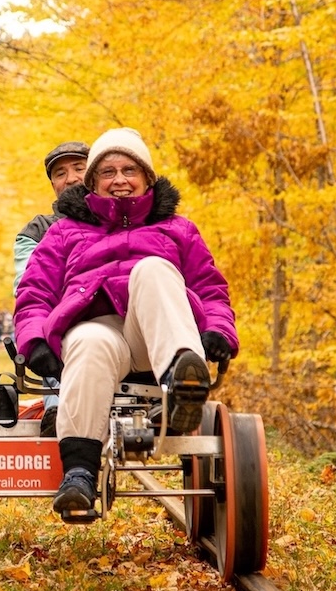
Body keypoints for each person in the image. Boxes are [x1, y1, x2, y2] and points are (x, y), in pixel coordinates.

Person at [14, 127, 238, 516]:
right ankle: (80, 474)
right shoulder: (65, 231)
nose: (119, 180)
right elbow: (34, 292)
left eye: (129, 170)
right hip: (98, 327)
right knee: (87, 341)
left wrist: (218, 330)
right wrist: (34, 340)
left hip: (155, 334)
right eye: (108, 172)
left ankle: (183, 382)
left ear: (147, 178)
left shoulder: (178, 229)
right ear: (93, 183)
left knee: (153, 269)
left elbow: (211, 287)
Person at [13, 140, 90, 436]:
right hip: (58, 318)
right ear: (53, 184)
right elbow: (27, 287)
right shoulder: (36, 231)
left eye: (79, 168)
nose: (70, 178)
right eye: (60, 173)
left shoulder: (122, 220)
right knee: (52, 321)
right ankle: (56, 409)